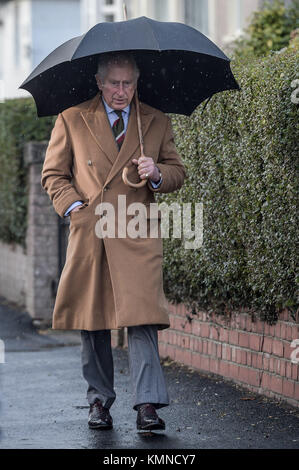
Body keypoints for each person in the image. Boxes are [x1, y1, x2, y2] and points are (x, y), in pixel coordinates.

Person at [41, 52, 186, 431]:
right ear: (99, 82)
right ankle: (99, 402)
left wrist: (156, 173)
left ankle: (147, 406)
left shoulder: (154, 120)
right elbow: (53, 175)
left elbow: (177, 172)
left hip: (137, 230)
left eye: (128, 84)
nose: (121, 92)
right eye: (114, 83)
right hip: (92, 231)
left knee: (144, 319)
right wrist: (75, 207)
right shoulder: (72, 118)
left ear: (136, 82)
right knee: (94, 320)